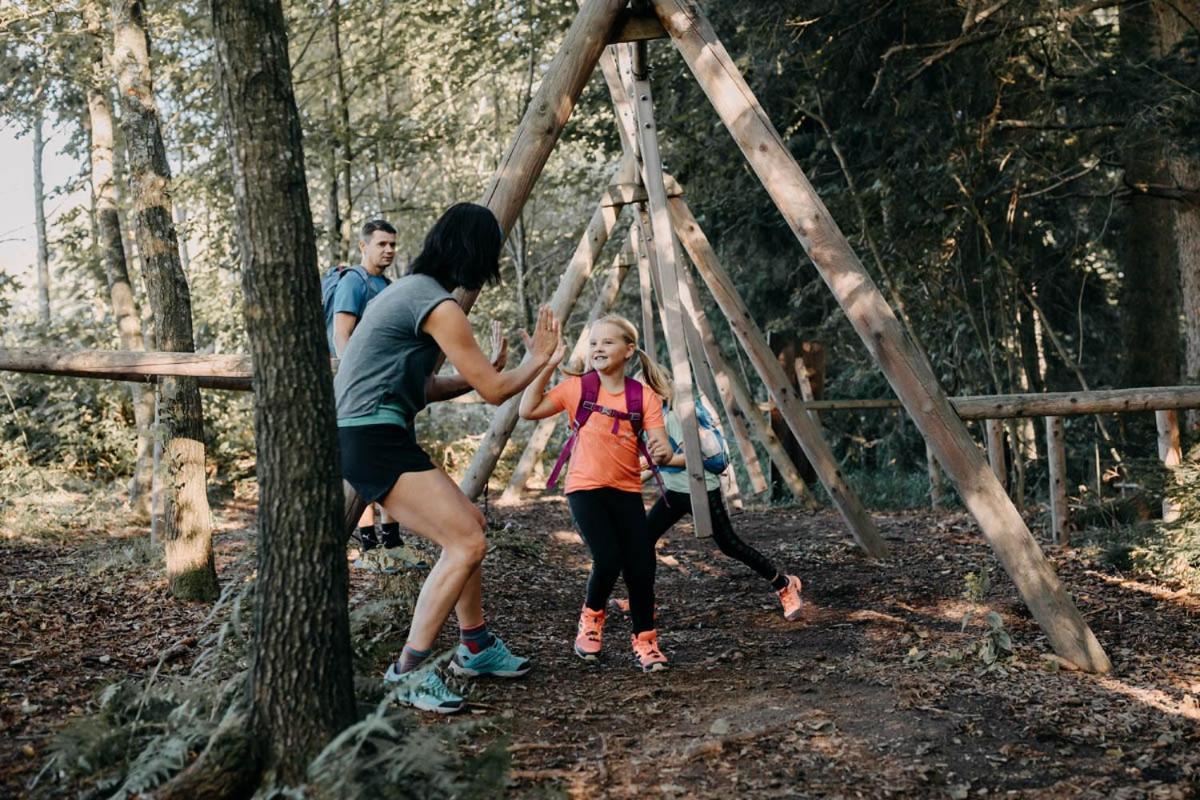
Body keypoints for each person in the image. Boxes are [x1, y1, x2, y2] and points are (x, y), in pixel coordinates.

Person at [335, 202, 563, 713]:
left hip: (373, 432)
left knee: (470, 525)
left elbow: (420, 385)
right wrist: (539, 358)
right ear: (475, 252)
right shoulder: (438, 306)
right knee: (465, 541)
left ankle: (476, 646)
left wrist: (478, 375)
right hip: (371, 437)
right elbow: (496, 392)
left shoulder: (407, 293)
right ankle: (407, 672)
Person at [519, 314, 674, 672]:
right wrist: (545, 364)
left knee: (641, 565)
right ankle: (591, 619)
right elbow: (528, 409)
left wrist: (662, 452)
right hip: (585, 488)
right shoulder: (579, 388)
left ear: (629, 350)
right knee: (608, 557)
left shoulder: (643, 396)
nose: (598, 348)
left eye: (607, 342)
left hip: (627, 491)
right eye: (593, 343)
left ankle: (646, 641)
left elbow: (660, 444)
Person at [644, 389, 805, 621]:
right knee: (644, 539)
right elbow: (656, 464)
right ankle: (643, 599)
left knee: (730, 546)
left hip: (701, 490)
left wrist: (660, 461)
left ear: (657, 393)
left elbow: (692, 457)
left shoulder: (672, 417)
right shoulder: (653, 421)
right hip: (676, 492)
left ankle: (784, 584)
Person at [325, 219, 409, 565]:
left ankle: (391, 541)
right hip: (358, 390)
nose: (388, 250)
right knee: (362, 466)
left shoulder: (387, 285)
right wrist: (353, 380)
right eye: (381, 244)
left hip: (386, 387)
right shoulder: (353, 283)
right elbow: (341, 334)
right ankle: (369, 545)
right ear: (364, 246)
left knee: (390, 461)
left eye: (392, 244)